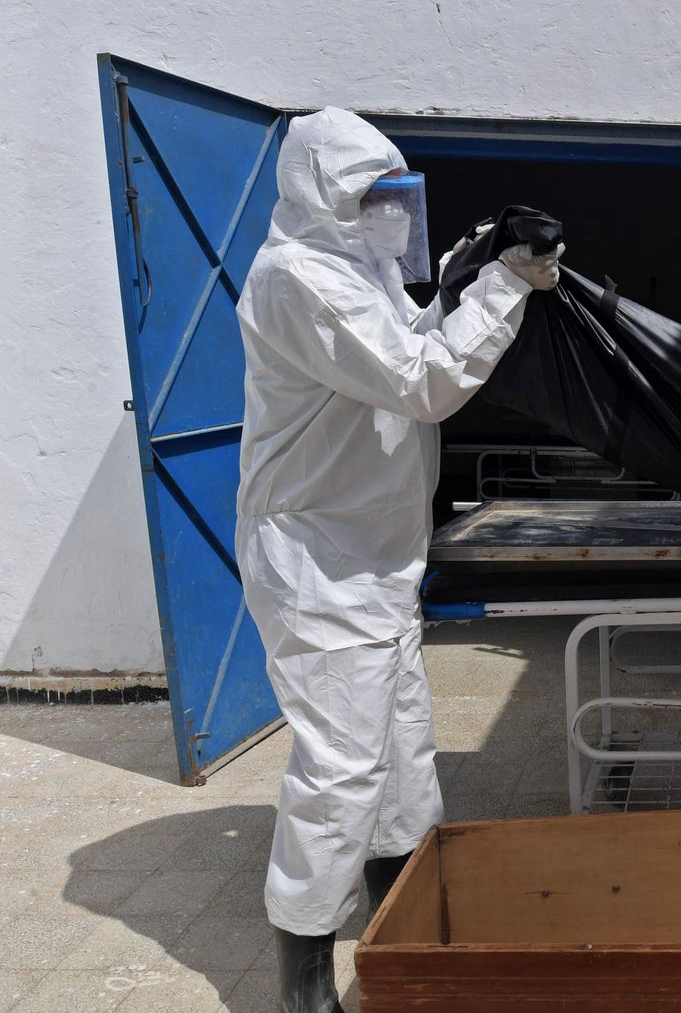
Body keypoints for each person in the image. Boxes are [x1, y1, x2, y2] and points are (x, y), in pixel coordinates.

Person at [234, 107, 558, 1013]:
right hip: (318, 559)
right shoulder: (297, 277)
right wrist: (502, 286)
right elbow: (423, 381)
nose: (385, 210)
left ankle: (403, 933)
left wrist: (467, 266)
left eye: (392, 191)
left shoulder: (360, 271)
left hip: (374, 558)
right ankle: (303, 983)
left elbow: (415, 335)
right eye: (366, 194)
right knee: (341, 768)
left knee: (402, 756)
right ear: (320, 194)